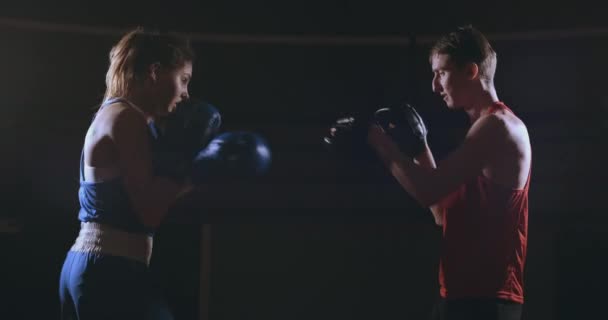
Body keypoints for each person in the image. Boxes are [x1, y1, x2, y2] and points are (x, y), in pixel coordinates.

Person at [367, 25, 532, 320]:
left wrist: (378, 140)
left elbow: (426, 190)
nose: (435, 86)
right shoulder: (482, 130)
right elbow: (442, 213)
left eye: (441, 73)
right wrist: (420, 149)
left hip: (487, 301)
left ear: (470, 71)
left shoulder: (498, 126)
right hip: (459, 296)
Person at [59, 27, 195, 319]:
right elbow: (148, 213)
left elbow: (131, 199)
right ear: (155, 72)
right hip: (110, 269)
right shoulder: (128, 119)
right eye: (183, 80)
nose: (186, 93)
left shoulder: (111, 113)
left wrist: (191, 178)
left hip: (92, 265)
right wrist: (189, 170)